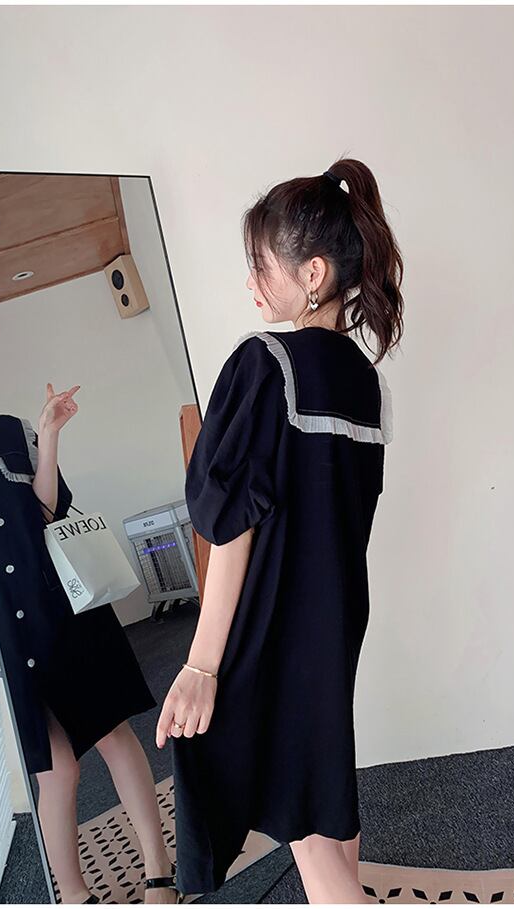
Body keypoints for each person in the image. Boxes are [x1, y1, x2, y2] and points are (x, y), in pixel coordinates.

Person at [155, 158, 403, 903]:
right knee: (321, 783)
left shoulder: (265, 362)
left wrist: (202, 664)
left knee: (300, 813)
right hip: (337, 615)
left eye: (261, 265)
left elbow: (232, 525)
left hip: (275, 623)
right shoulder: (368, 383)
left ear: (313, 273)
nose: (251, 284)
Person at [0, 308, 179, 905]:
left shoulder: (12, 430)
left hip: (61, 603)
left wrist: (47, 435)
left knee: (113, 733)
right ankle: (72, 895)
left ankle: (158, 874)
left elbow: (46, 512)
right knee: (58, 767)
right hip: (6, 624)